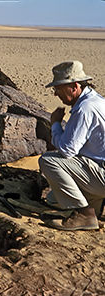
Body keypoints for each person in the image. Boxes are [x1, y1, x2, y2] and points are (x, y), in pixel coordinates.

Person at [38, 60, 105, 231]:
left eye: (58, 88)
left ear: (74, 86)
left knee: (48, 161)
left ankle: (85, 215)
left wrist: (55, 125)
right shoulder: (96, 100)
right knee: (54, 199)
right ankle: (95, 205)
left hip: (101, 174)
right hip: (98, 170)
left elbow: (68, 150)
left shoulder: (85, 109)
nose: (55, 94)